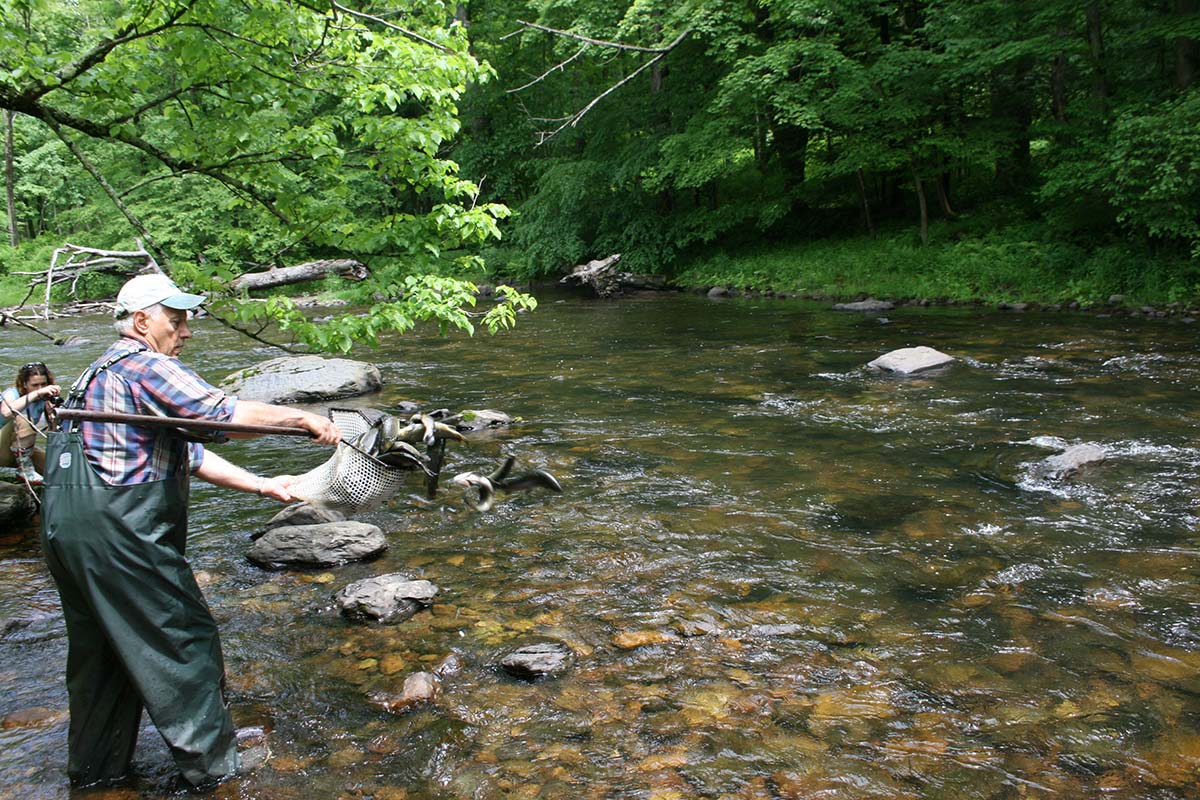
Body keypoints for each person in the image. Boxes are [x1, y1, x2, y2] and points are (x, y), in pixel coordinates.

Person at [39, 273, 341, 789]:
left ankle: (95, 774)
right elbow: (217, 414)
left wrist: (264, 485)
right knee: (182, 637)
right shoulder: (144, 364)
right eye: (175, 321)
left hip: (69, 531)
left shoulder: (96, 373)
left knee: (103, 655)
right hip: (119, 533)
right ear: (141, 322)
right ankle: (215, 772)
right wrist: (299, 417)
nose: (186, 331)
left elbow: (191, 452)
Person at [0, 361, 61, 481]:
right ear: (24, 384)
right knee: (24, 419)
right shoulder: (12, 393)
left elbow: (53, 437)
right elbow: (7, 412)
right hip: (3, 446)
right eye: (35, 385)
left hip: (20, 451)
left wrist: (54, 417)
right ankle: (25, 470)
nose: (40, 388)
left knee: (56, 471)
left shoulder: (44, 401)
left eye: (44, 384)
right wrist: (37, 394)